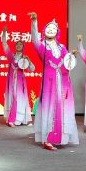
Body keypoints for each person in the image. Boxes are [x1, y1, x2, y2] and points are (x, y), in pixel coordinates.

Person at [29, 13, 79, 150]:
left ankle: (61, 137)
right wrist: (34, 21)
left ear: (57, 32)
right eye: (48, 28)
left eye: (54, 29)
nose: (51, 30)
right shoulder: (41, 46)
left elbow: (68, 64)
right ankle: (47, 138)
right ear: (44, 31)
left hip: (63, 80)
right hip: (49, 80)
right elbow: (34, 38)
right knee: (49, 106)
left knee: (63, 107)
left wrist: (72, 56)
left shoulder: (62, 47)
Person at [2, 26, 34, 127]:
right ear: (15, 46)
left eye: (21, 44)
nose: (19, 45)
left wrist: (29, 60)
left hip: (20, 82)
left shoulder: (25, 58)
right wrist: (4, 33)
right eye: (17, 44)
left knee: (21, 99)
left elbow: (32, 69)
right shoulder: (11, 56)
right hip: (11, 81)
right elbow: (4, 44)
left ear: (23, 47)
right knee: (12, 98)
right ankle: (11, 119)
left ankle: (22, 119)